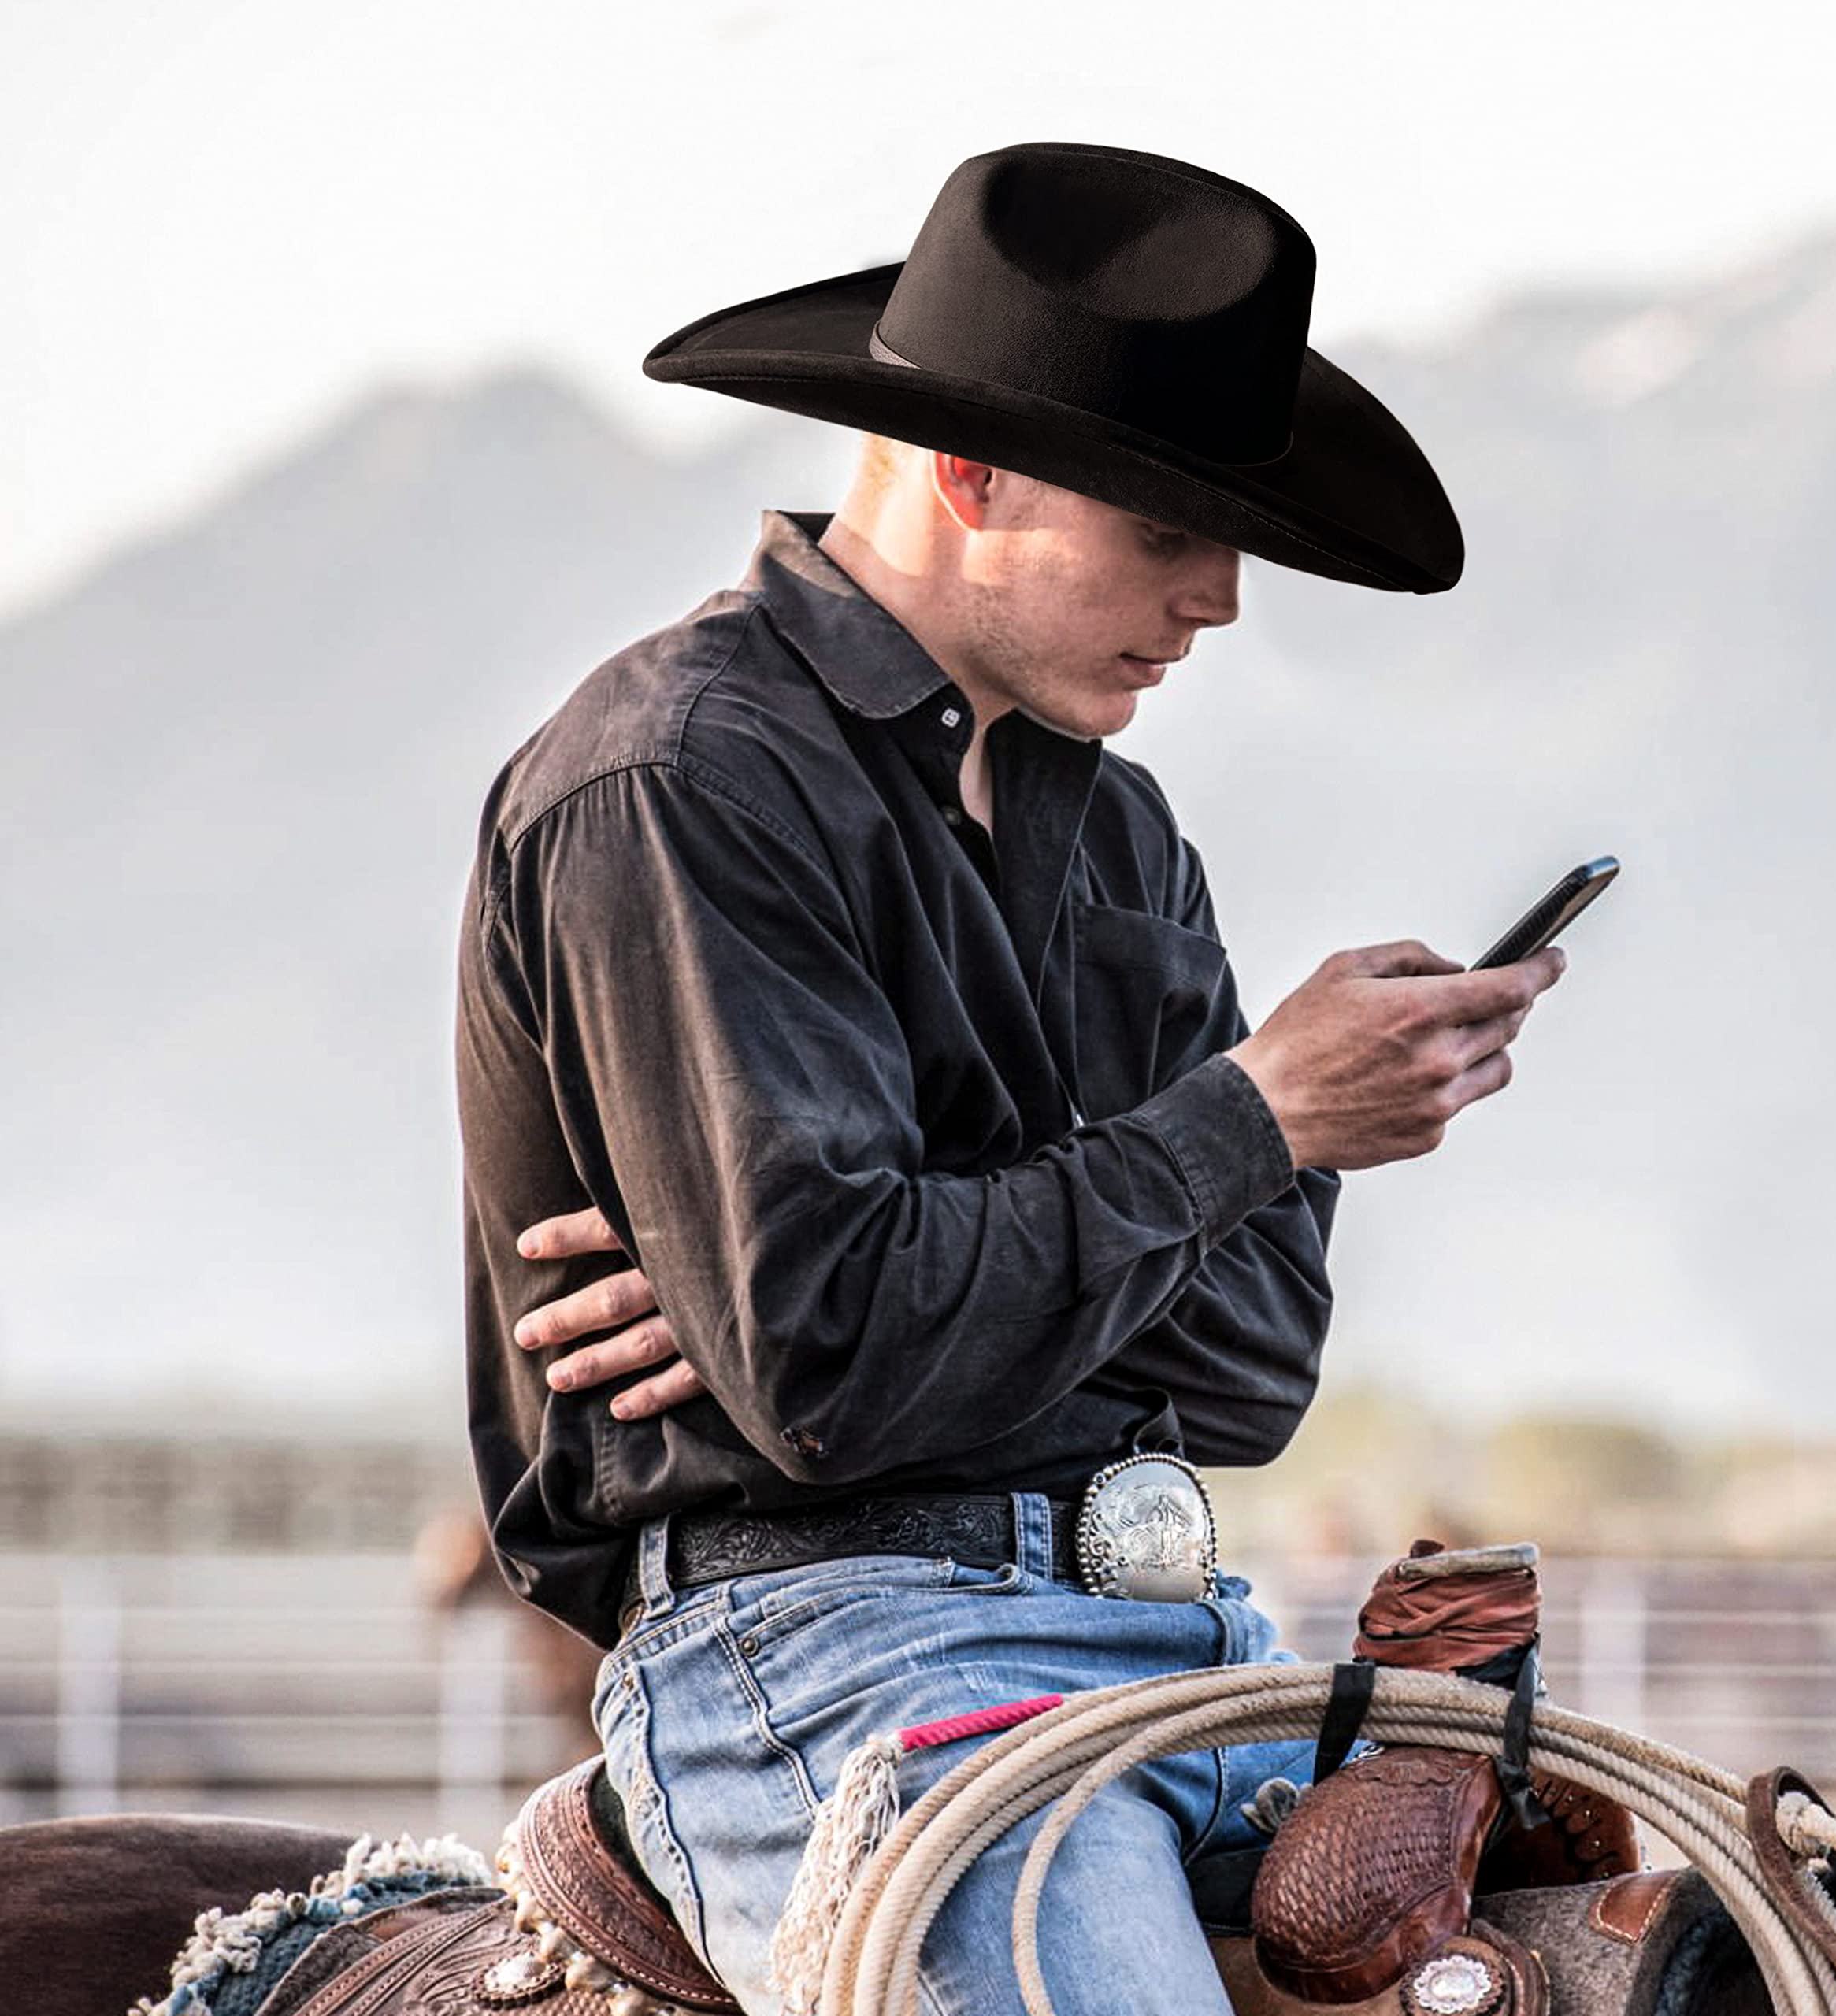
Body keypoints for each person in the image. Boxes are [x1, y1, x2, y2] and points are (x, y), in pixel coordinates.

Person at [454, 141, 1566, 2016]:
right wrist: (1254, 1119)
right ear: (971, 473)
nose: (1214, 597)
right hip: (831, 1653)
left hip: (1184, 1639)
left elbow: (1240, 1372)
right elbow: (831, 1364)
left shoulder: (1123, 837)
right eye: (1166, 530)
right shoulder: (680, 779)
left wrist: (912, 1271)